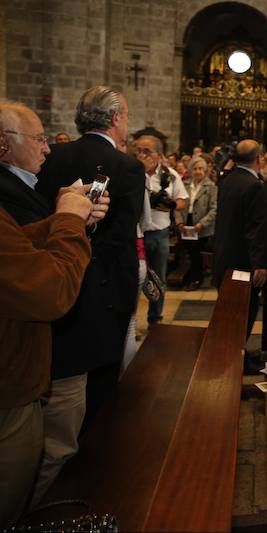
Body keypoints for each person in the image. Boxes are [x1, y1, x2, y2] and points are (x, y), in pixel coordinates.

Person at [33, 86, 145, 497]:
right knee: (96, 389)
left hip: (47, 280)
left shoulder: (52, 157)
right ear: (116, 119)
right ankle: (84, 483)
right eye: (126, 116)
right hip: (98, 293)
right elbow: (120, 240)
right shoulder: (125, 166)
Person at [0, 160, 107, 527]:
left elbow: (16, 250)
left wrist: (67, 218)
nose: (47, 149)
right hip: (8, 389)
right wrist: (69, 223)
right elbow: (51, 292)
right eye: (38, 139)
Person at [212, 139, 267, 338]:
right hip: (243, 262)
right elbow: (256, 229)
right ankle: (236, 354)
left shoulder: (228, 179)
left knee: (229, 311)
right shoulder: (254, 186)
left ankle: (231, 352)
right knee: (244, 312)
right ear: (259, 158)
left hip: (224, 258)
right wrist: (260, 263)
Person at [134, 134, 188, 325]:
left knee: (158, 278)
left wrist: (171, 205)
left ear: (158, 154)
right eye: (138, 150)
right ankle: (130, 319)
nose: (141, 155)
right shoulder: (131, 172)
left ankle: (155, 319)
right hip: (135, 234)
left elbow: (183, 200)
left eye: (146, 151)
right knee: (133, 278)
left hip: (159, 234)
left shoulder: (169, 175)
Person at [174, 156, 217, 291]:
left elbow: (214, 208)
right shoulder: (185, 184)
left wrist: (202, 224)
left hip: (201, 225)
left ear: (205, 170)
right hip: (186, 221)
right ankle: (189, 276)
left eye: (200, 169)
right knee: (188, 251)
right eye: (195, 169)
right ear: (191, 170)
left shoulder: (211, 186)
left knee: (195, 252)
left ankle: (196, 279)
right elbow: (178, 203)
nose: (198, 171)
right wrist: (179, 222)